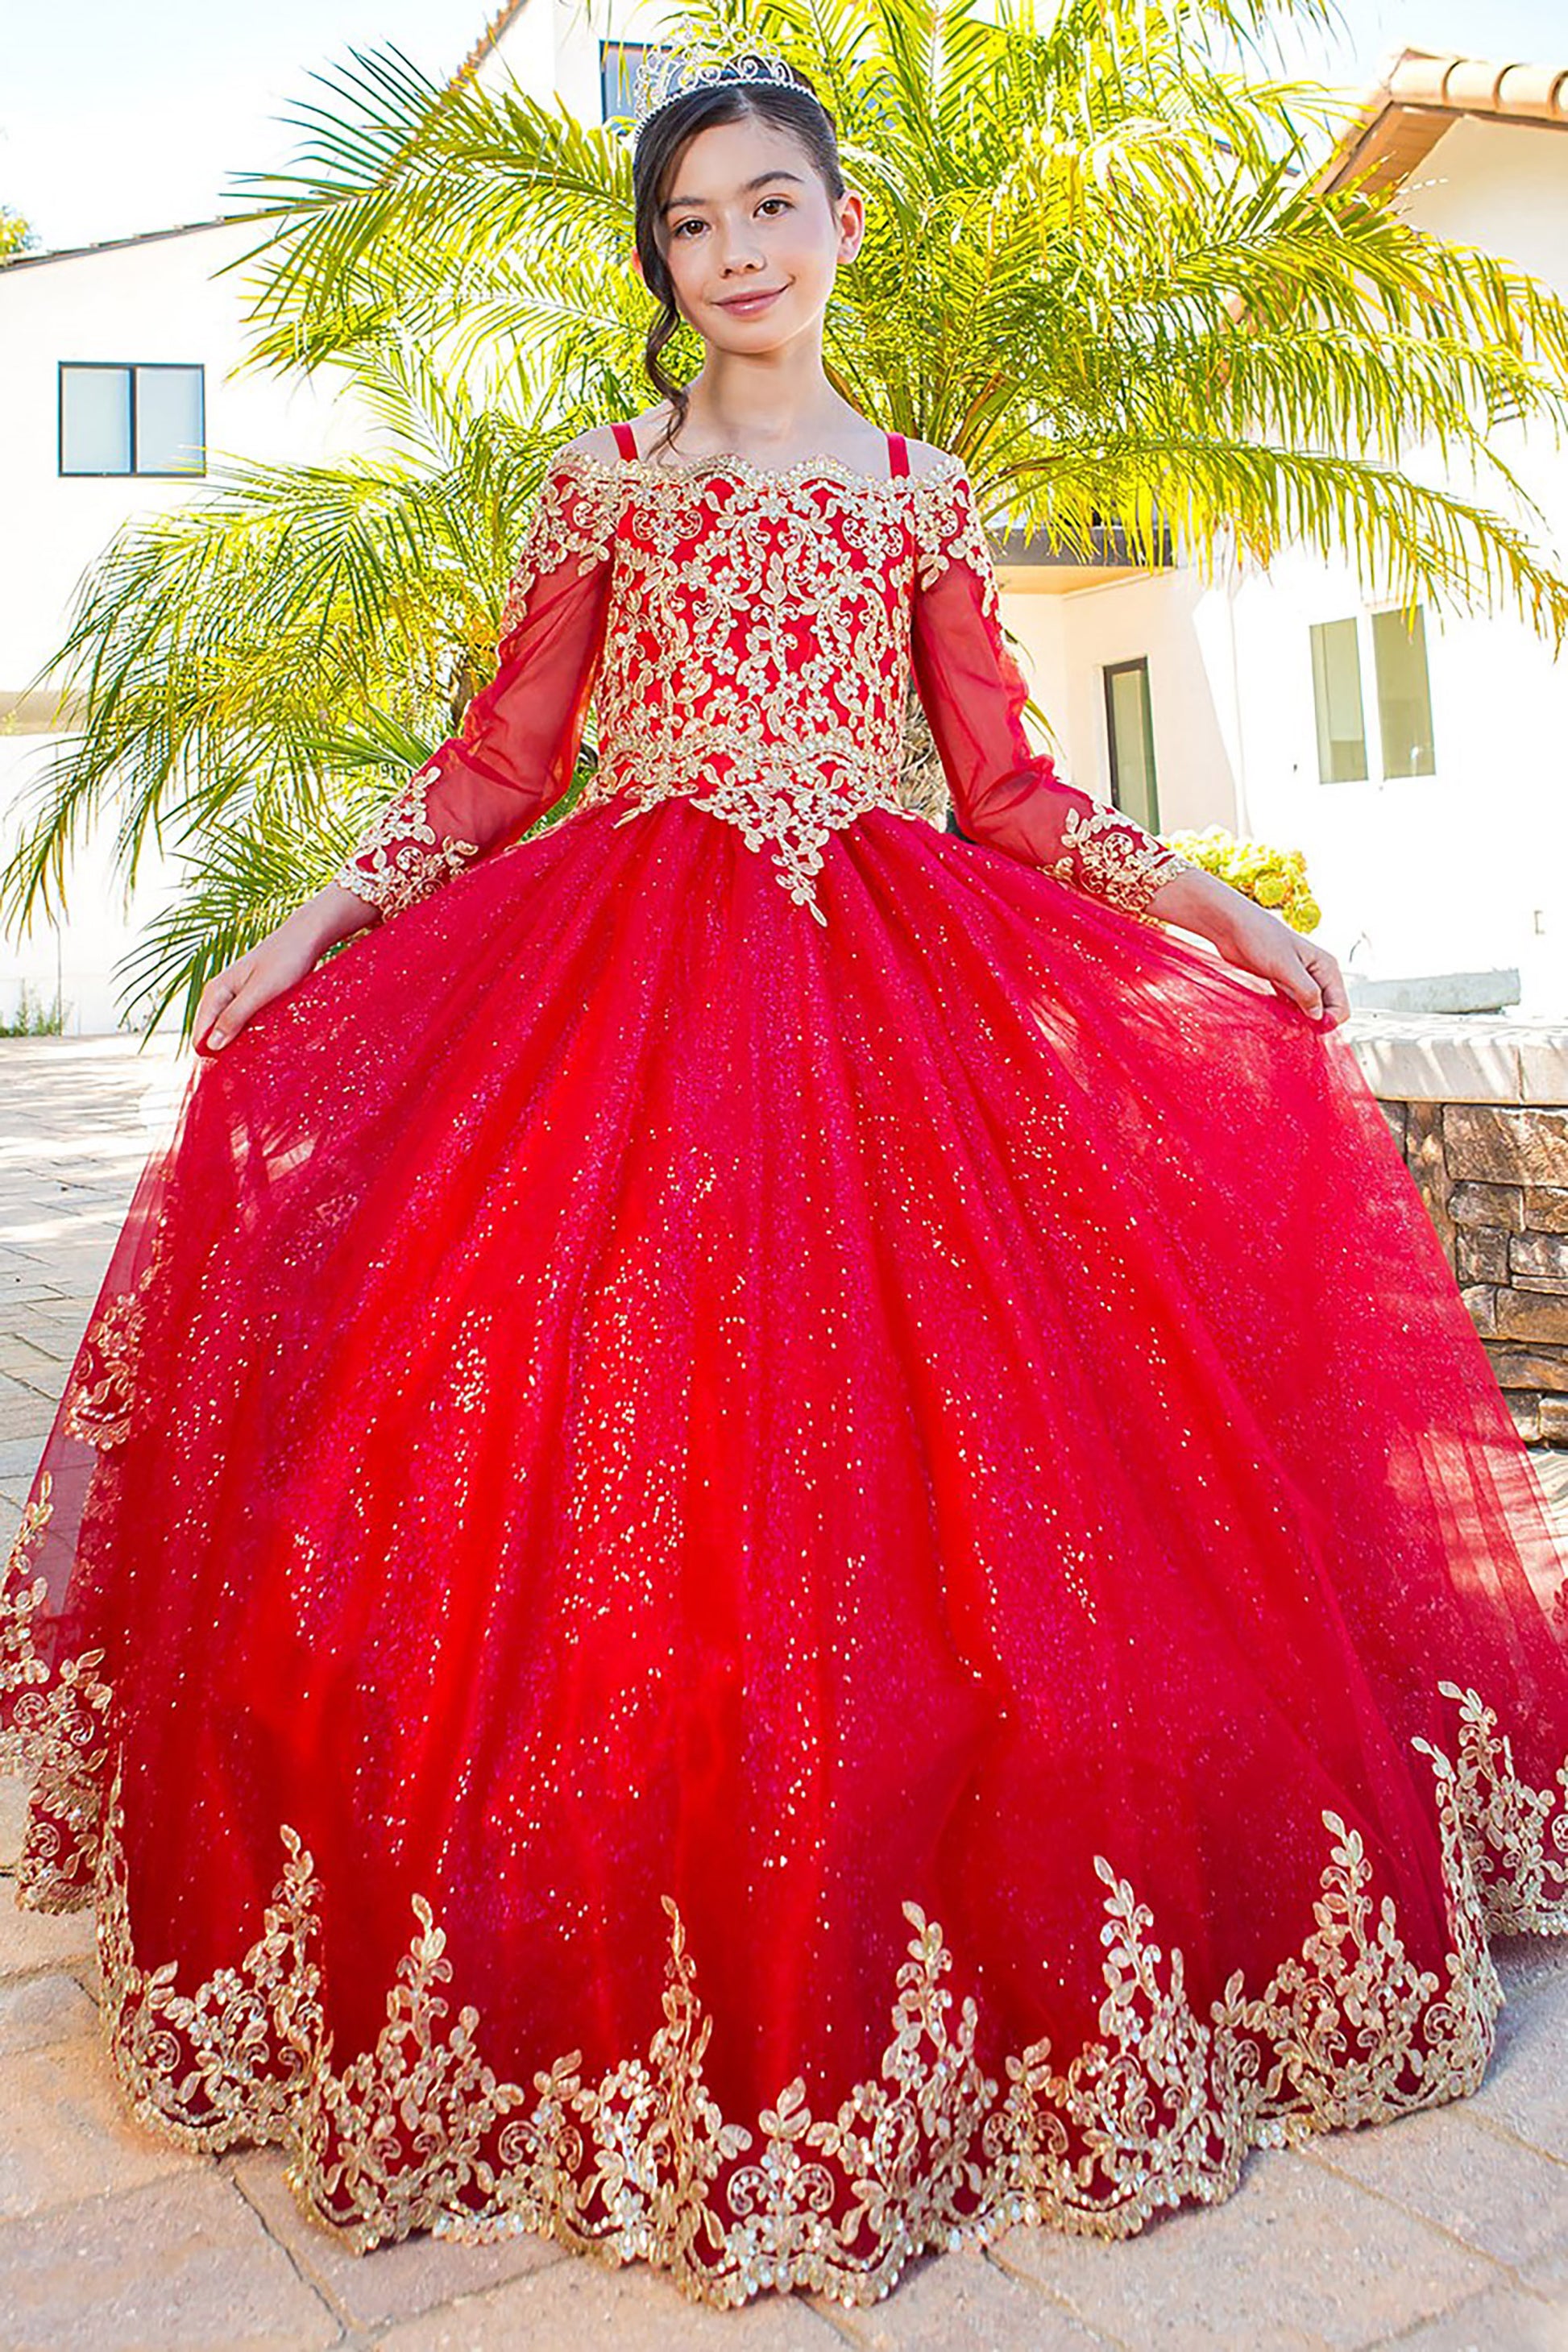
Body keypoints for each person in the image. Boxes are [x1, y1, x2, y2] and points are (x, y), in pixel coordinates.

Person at [4, 40, 1566, 2317]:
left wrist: (1217, 914)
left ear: (842, 224)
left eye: (763, 210)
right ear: (660, 264)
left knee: (990, 1494)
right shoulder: (601, 489)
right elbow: (498, 767)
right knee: (607, 1471)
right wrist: (319, 915)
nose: (728, 255)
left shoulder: (930, 496)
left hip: (896, 990)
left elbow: (1009, 795)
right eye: (687, 226)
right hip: (619, 992)